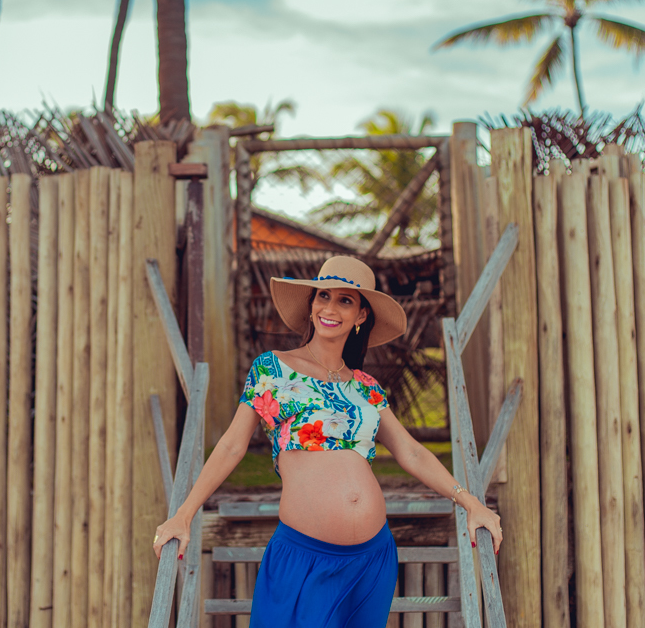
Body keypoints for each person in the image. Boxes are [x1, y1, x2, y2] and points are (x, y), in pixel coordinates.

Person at [152, 256, 503, 628]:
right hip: (304, 556)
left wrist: (470, 503)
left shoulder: (366, 387)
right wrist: (183, 515)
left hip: (372, 559)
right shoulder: (272, 368)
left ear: (361, 315)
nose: (330, 308)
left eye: (345, 300)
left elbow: (411, 451)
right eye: (323, 296)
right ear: (311, 304)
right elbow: (231, 447)